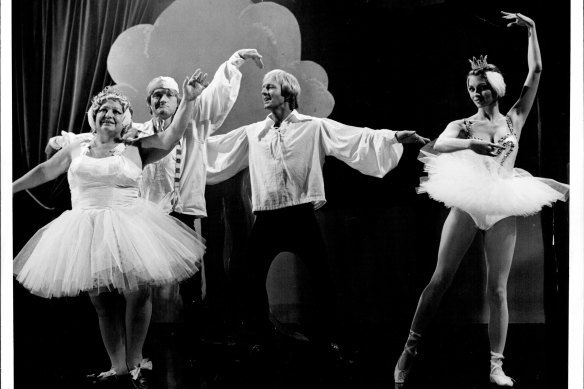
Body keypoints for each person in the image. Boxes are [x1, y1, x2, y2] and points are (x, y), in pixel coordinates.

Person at [393, 12, 569, 387]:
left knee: (498, 288)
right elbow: (437, 144)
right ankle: (410, 348)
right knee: (440, 278)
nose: (476, 92)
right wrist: (472, 144)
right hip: (471, 198)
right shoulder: (464, 124)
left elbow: (535, 73)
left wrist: (534, 28)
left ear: (495, 88)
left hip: (503, 198)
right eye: (471, 87)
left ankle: (495, 365)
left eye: (482, 87)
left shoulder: (515, 118)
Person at [45, 49, 264, 345]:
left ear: (178, 100)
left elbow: (215, 97)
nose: (161, 100)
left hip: (182, 210)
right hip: (147, 213)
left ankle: (194, 342)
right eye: (155, 97)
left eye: (167, 95)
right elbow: (97, 137)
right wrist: (61, 140)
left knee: (190, 281)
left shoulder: (194, 123)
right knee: (137, 283)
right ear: (148, 105)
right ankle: (138, 350)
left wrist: (235, 60)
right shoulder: (138, 134)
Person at [205, 69, 429, 355]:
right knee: (251, 278)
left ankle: (326, 339)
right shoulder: (253, 133)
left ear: (287, 92)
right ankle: (260, 337)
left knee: (322, 280)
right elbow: (214, 150)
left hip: (300, 215)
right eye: (263, 87)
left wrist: (395, 136)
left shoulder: (313, 127)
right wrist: (176, 140)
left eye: (269, 87)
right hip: (268, 216)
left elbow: (355, 138)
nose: (263, 92)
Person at [13, 72, 206, 389]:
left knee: (138, 292)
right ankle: (117, 367)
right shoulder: (77, 146)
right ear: (93, 114)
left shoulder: (135, 147)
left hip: (129, 224)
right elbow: (46, 170)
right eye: (104, 108)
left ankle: (134, 363)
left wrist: (188, 99)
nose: (110, 114)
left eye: (118, 111)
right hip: (85, 226)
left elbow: (171, 137)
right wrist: (11, 188)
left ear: (126, 120)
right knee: (101, 301)